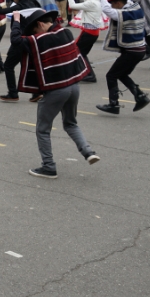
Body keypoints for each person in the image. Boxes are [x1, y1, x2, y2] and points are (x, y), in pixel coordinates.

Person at [11, 9, 99, 179]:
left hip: (56, 89)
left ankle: (49, 166)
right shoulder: (65, 32)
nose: (34, 34)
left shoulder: (41, 39)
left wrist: (16, 20)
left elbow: (16, 40)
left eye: (34, 31)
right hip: (74, 85)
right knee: (71, 123)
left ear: (40, 24)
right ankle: (88, 152)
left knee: (43, 129)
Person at [95, 0, 150, 114]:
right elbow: (114, 7)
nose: (112, 6)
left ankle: (113, 104)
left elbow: (108, 11)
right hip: (139, 49)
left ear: (119, 3)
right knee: (121, 74)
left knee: (111, 75)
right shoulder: (134, 7)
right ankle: (140, 97)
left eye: (113, 4)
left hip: (132, 51)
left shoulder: (126, 12)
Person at [0, 0, 39, 102]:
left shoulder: (19, 7)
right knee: (30, 65)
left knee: (8, 66)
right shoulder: (31, 2)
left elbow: (0, 10)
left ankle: (13, 93)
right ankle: (37, 92)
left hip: (20, 39)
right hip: (31, 38)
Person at [68, 0, 104, 83]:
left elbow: (72, 5)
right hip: (91, 32)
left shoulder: (91, 3)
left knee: (80, 53)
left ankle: (89, 74)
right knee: (81, 53)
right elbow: (85, 1)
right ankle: (86, 73)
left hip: (89, 32)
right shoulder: (94, 1)